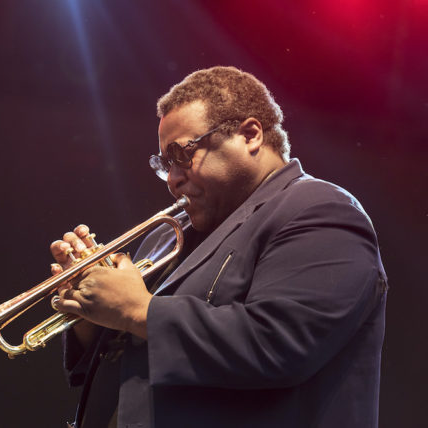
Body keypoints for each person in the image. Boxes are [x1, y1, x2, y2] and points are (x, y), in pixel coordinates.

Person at [49, 66, 387, 428]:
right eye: (165, 164)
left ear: (250, 135)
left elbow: (278, 344)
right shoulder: (167, 236)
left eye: (182, 154)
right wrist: (91, 311)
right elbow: (135, 353)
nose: (173, 179)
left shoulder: (320, 210)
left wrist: (138, 309)